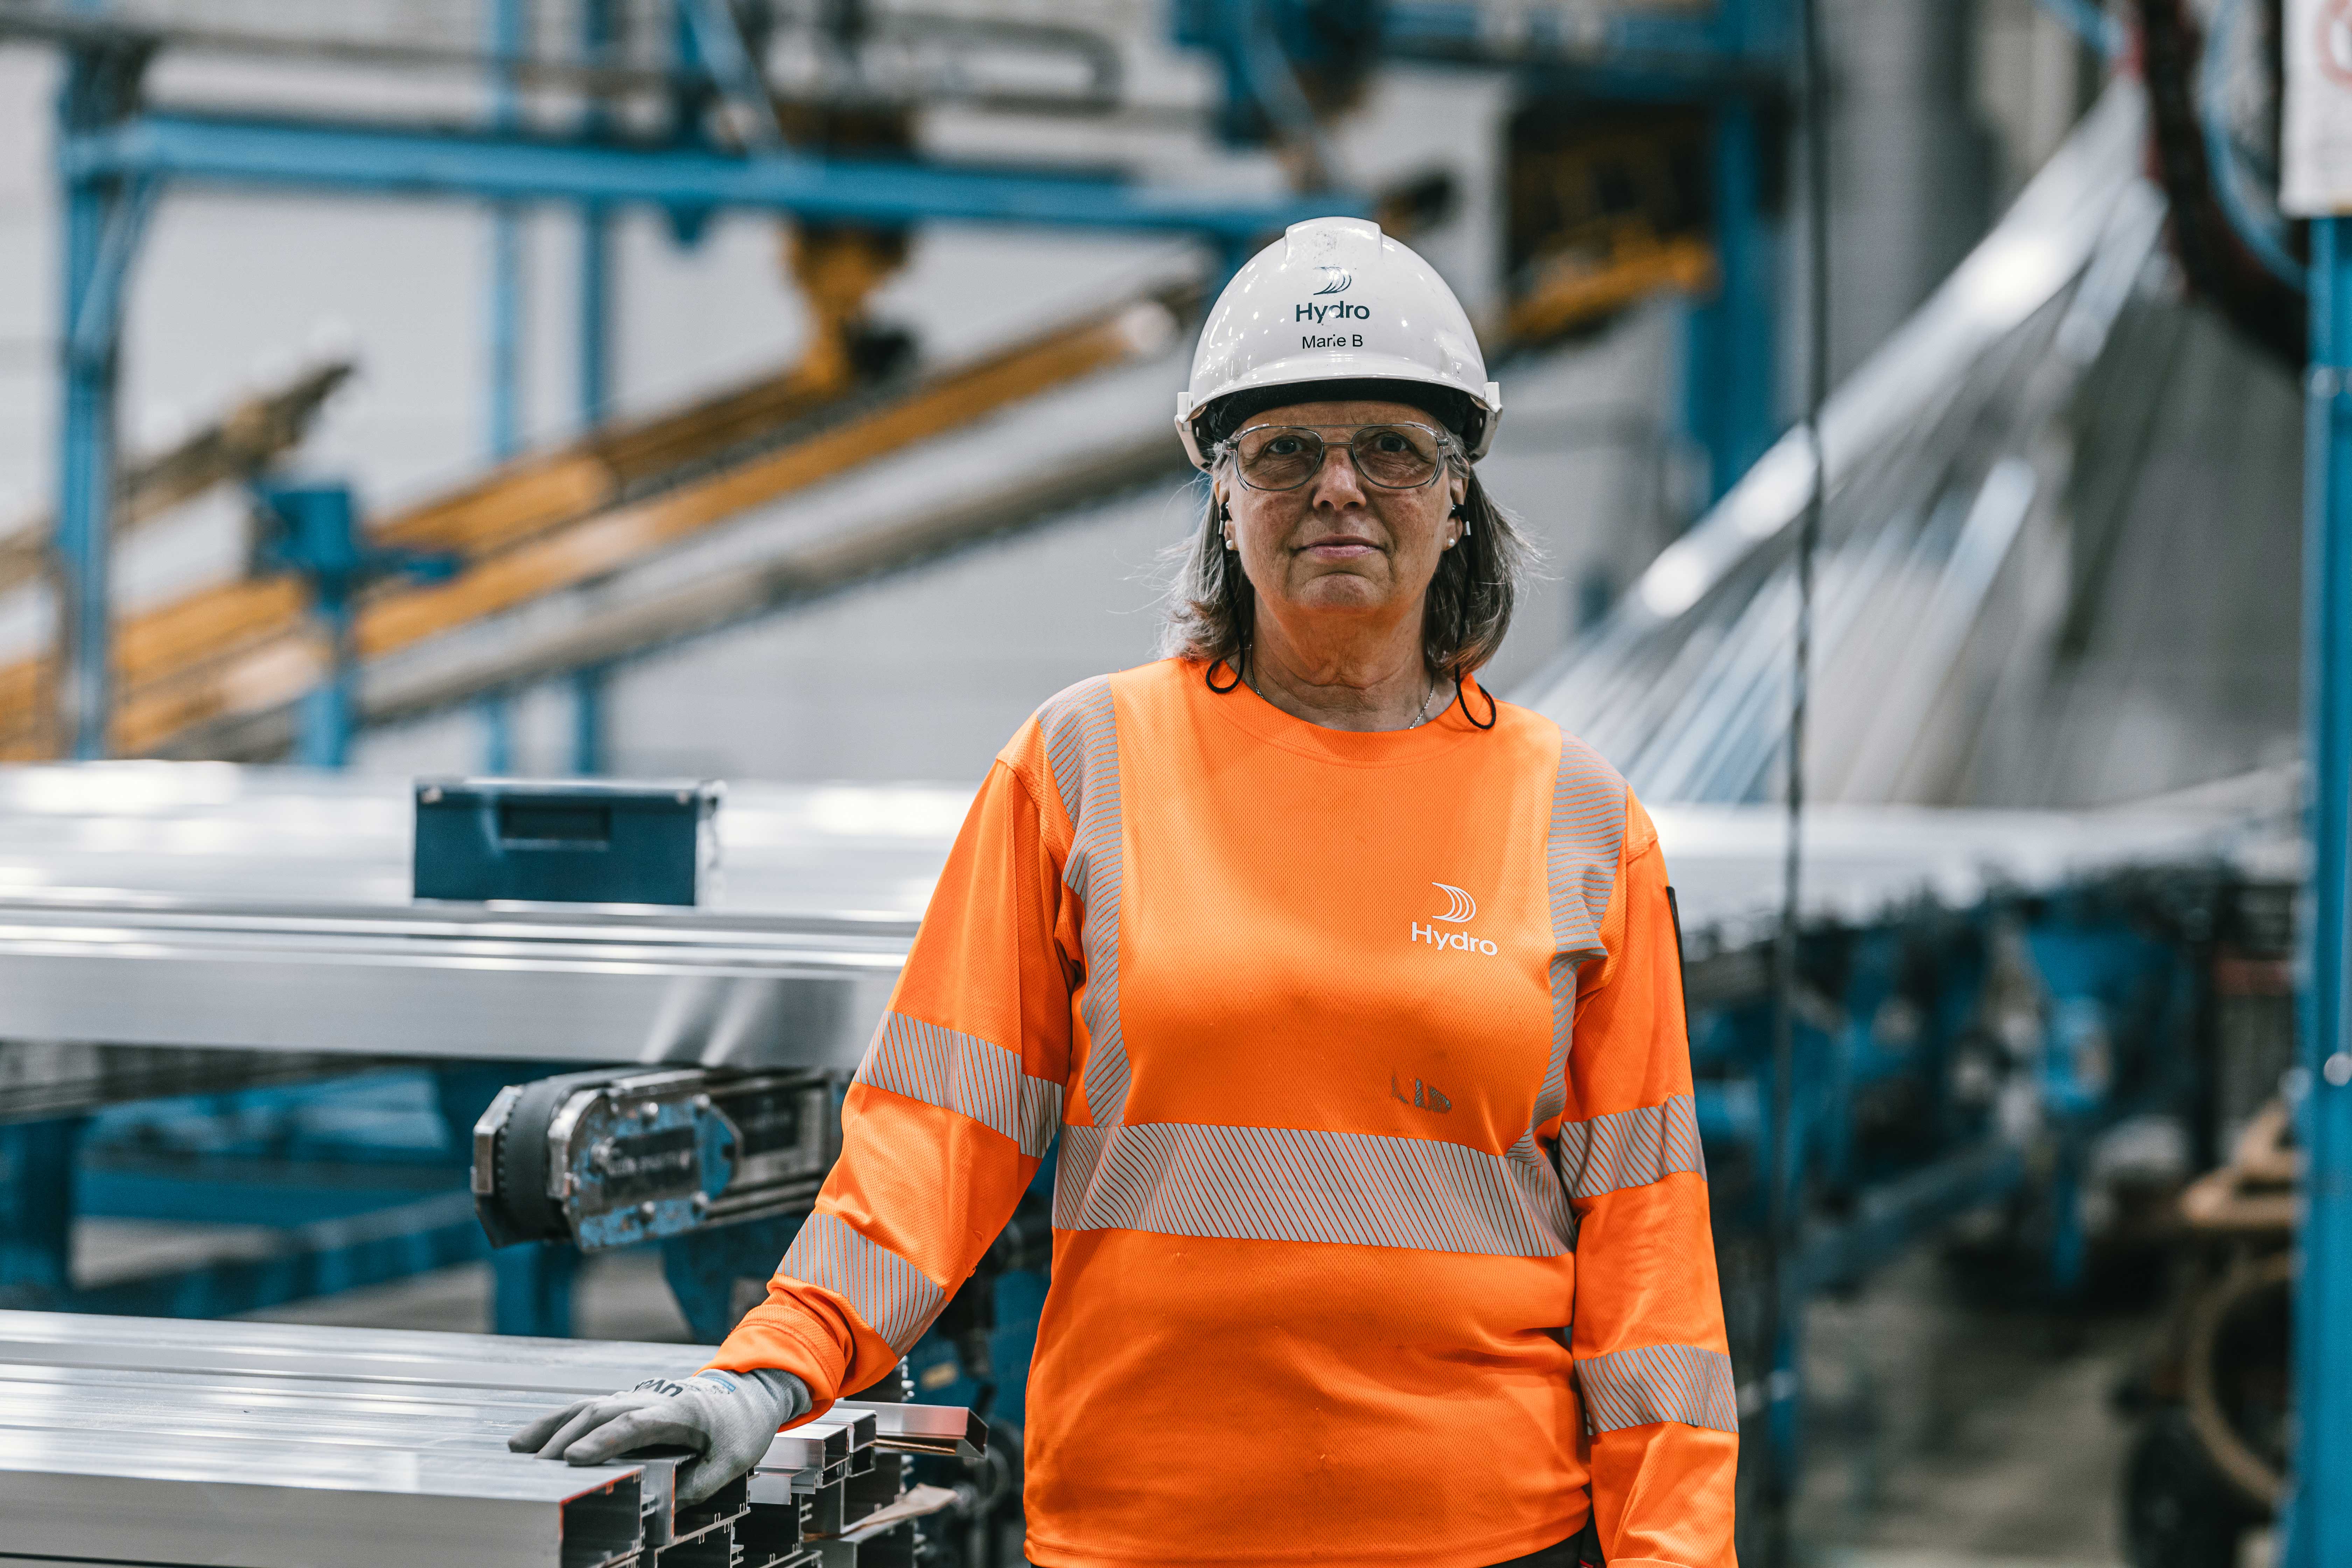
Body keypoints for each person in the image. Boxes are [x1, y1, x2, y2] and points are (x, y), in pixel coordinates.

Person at [512, 216, 1737, 1568]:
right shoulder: (1081, 766)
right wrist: (766, 1371)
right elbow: (937, 1137)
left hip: (1486, 1534)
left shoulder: (1582, 818)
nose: (1339, 487)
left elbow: (1652, 1255)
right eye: (1282, 451)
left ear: (1460, 498)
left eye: (1391, 446)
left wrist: (1675, 1554)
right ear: (1223, 495)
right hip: (1143, 1532)